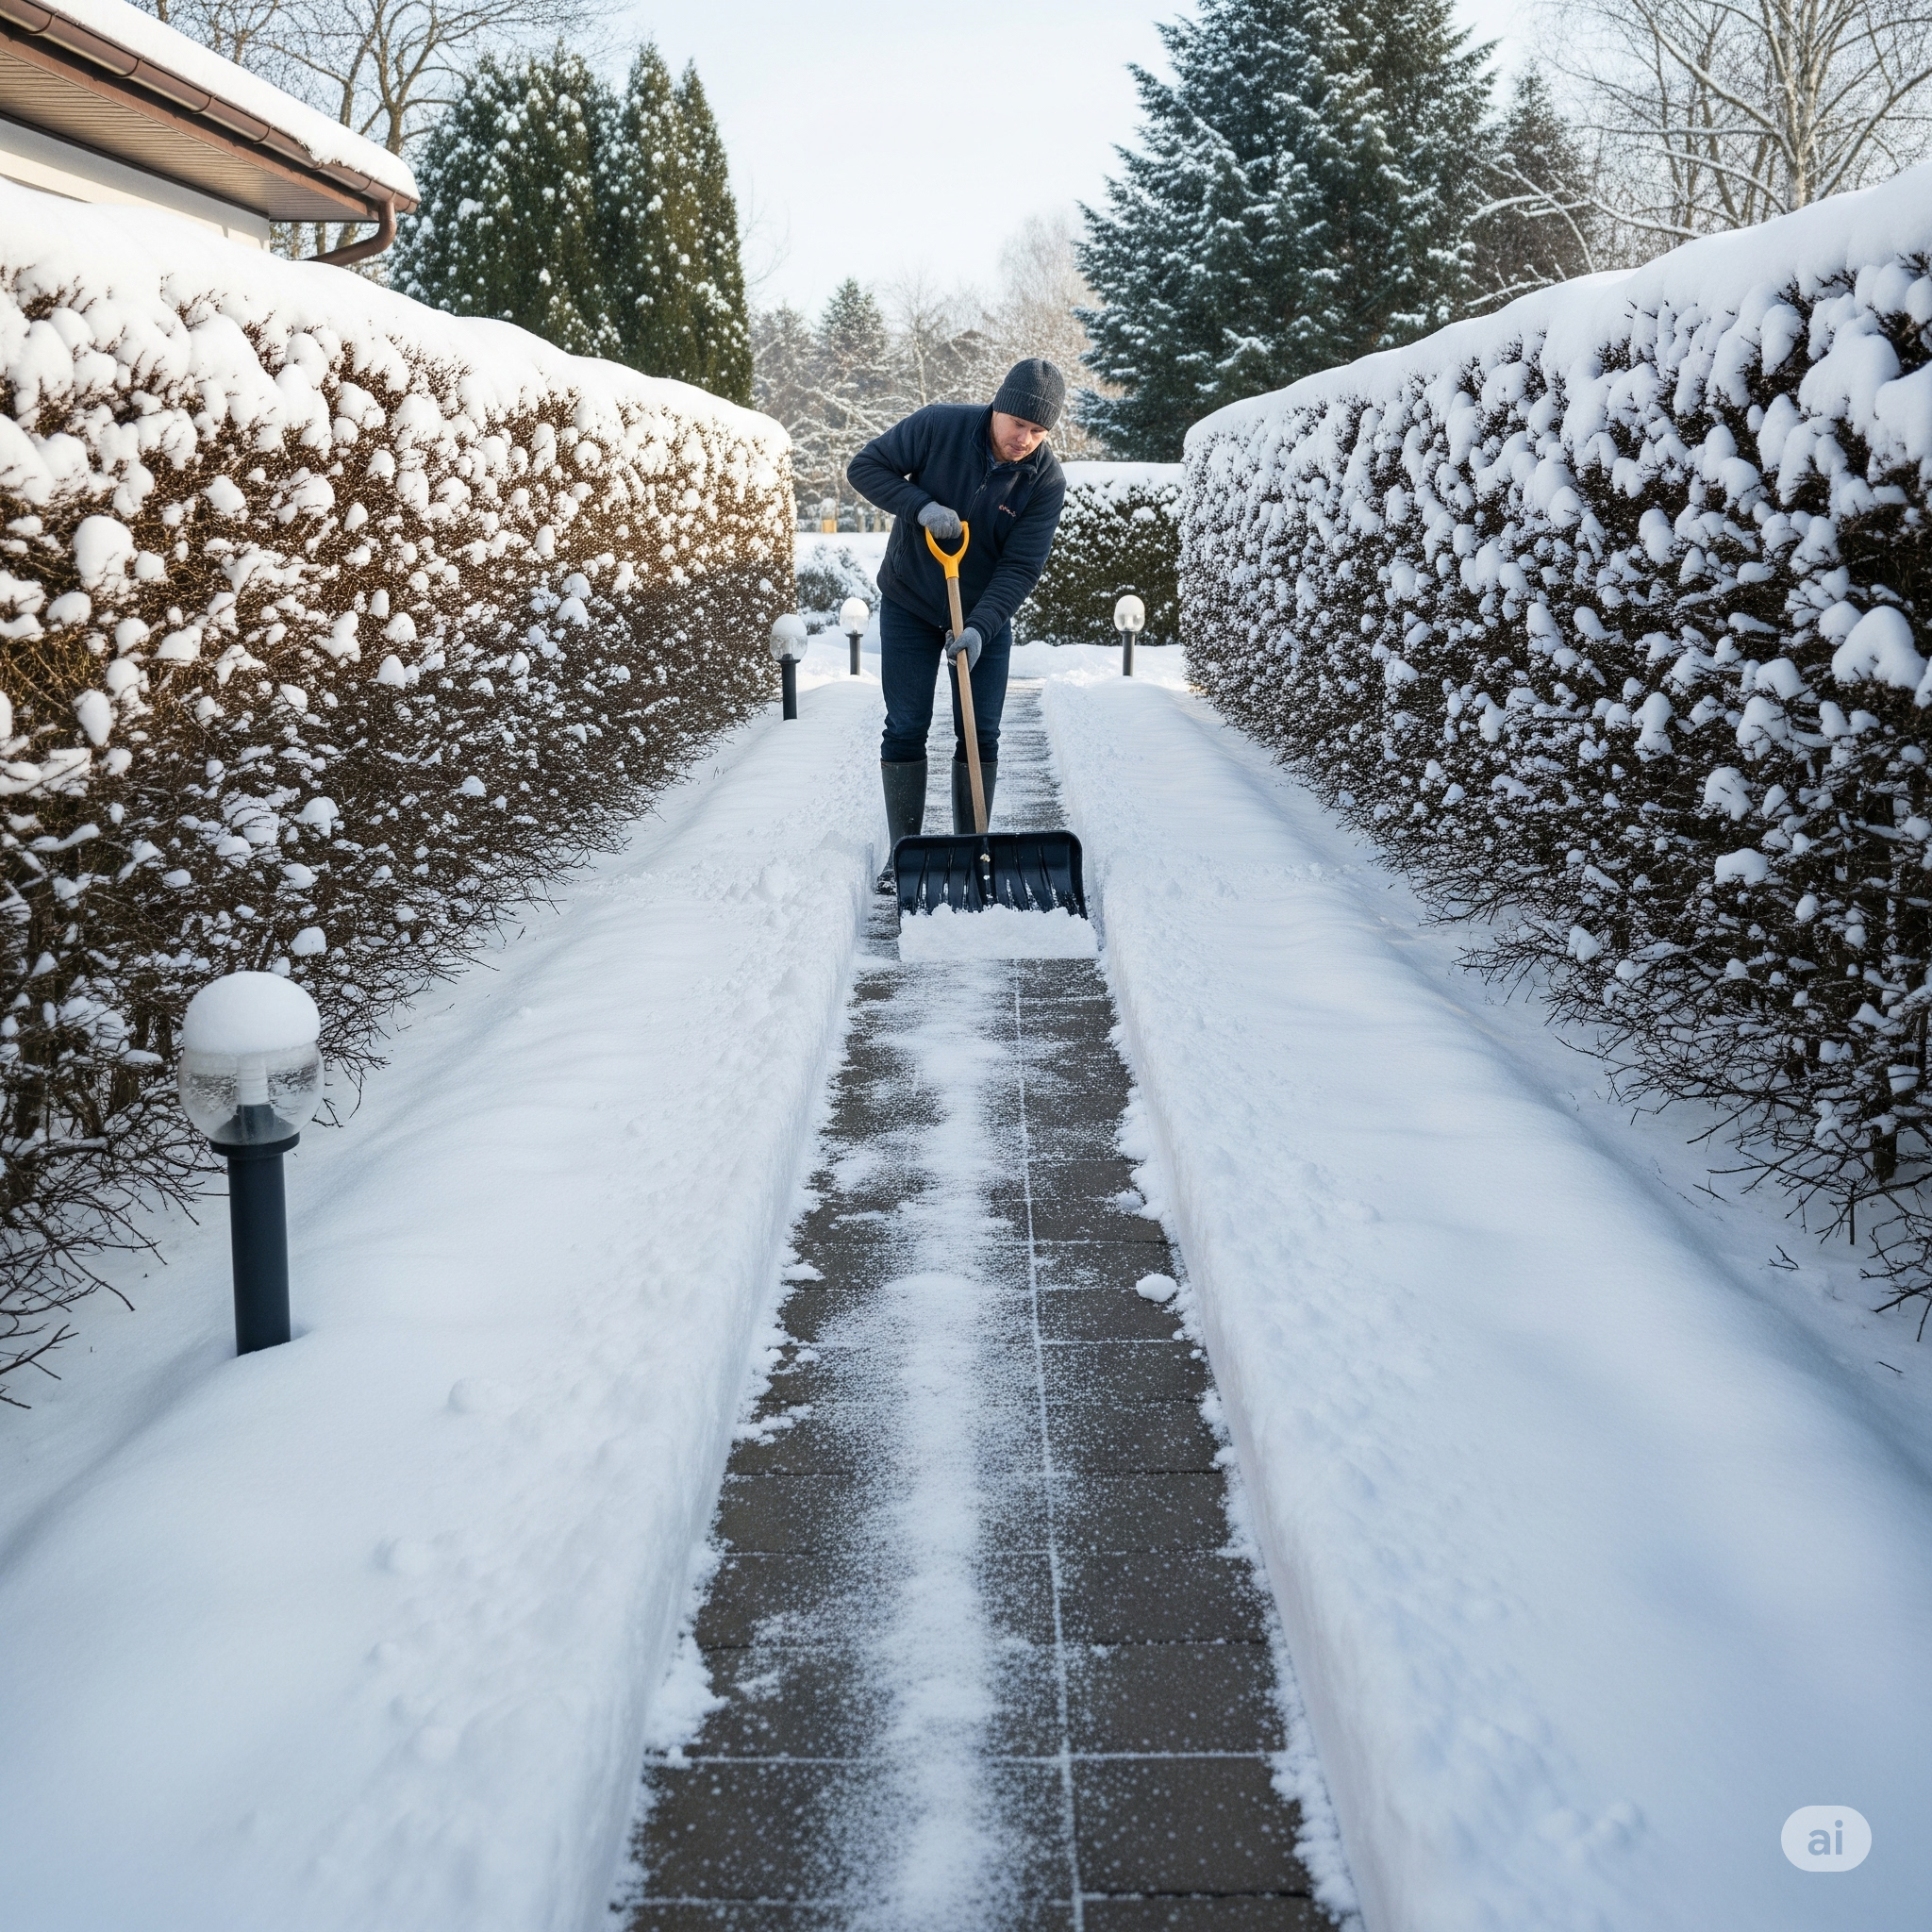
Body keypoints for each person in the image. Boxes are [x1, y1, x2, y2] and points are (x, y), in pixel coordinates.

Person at [846, 358, 1068, 879]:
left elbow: (1021, 567)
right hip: (910, 599)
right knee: (906, 725)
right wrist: (920, 505)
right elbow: (865, 467)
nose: (1025, 439)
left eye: (1039, 431)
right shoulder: (939, 426)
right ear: (998, 407)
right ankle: (906, 854)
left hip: (982, 613)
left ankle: (972, 855)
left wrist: (981, 627)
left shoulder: (1044, 480)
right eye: (1019, 423)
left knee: (980, 731)